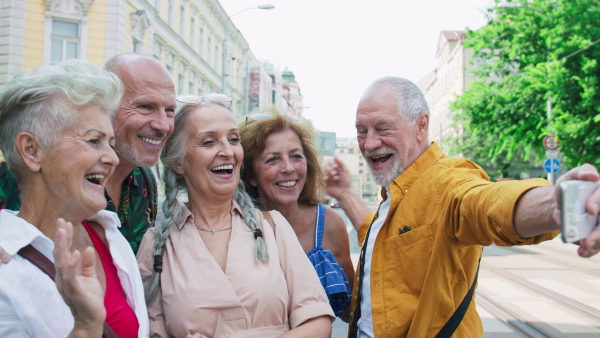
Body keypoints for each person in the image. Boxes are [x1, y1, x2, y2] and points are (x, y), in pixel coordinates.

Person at [324, 76, 600, 337]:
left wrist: (554, 204)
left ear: (421, 126)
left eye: (383, 129)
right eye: (361, 131)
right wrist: (346, 194)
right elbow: (381, 239)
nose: (370, 143)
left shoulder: (448, 180)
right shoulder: (395, 194)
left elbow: (486, 205)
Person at [136, 94, 334, 337]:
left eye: (233, 139)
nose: (228, 151)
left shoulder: (272, 227)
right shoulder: (157, 246)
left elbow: (318, 323)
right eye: (209, 142)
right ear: (178, 162)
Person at [0, 60, 148, 336]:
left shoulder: (111, 236)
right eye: (94, 140)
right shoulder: (6, 266)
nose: (113, 158)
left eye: (111, 143)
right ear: (31, 150)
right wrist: (85, 326)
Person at [0, 53, 176, 255]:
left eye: (170, 110)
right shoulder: (23, 175)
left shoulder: (143, 181)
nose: (163, 125)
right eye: (145, 107)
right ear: (105, 107)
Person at [239, 108, 355, 320]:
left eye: (295, 156)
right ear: (251, 175)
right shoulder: (235, 226)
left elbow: (353, 312)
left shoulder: (329, 224)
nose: (288, 168)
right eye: (273, 159)